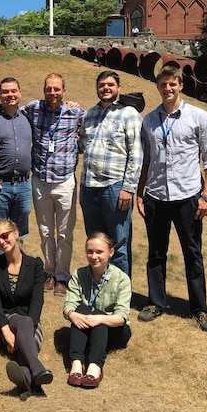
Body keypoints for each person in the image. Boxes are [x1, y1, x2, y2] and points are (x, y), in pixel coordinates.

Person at [136, 66, 207, 332]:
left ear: (180, 85)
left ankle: (199, 309)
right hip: (157, 196)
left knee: (192, 253)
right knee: (156, 253)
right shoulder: (149, 120)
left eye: (172, 84)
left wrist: (206, 195)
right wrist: (141, 192)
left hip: (188, 197)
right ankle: (155, 302)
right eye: (163, 85)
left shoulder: (198, 116)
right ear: (158, 87)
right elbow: (146, 161)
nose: (168, 89)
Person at [21, 73, 84, 295]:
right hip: (39, 180)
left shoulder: (75, 112)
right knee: (45, 231)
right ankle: (49, 272)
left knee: (65, 232)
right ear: (44, 90)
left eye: (57, 89)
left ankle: (63, 276)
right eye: (49, 89)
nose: (53, 93)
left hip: (65, 180)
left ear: (64, 91)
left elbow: (91, 126)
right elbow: (10, 114)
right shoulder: (32, 109)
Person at [78, 70, 142, 277]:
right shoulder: (90, 115)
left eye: (110, 85)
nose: (106, 88)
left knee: (119, 244)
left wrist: (128, 188)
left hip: (115, 188)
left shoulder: (129, 113)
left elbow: (136, 153)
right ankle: (100, 287)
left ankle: (121, 295)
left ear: (118, 88)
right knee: (96, 244)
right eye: (102, 85)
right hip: (88, 188)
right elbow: (82, 146)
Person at [0, 219, 53, 395]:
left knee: (26, 326)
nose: (1, 241)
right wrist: (6, 331)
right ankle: (37, 368)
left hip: (29, 322)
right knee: (25, 330)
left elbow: (37, 302)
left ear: (16, 233)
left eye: (5, 235)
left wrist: (30, 326)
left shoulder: (35, 265)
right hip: (1, 322)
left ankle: (26, 379)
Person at [63, 232, 132, 389]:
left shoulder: (122, 279)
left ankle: (95, 366)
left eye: (99, 252)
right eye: (90, 251)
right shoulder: (78, 274)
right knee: (80, 309)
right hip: (86, 325)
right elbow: (69, 306)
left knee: (99, 314)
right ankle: (76, 364)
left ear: (111, 253)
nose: (94, 256)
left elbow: (121, 317)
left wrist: (99, 319)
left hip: (115, 330)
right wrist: (71, 314)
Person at [0, 78, 33, 243]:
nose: (10, 95)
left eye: (13, 91)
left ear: (20, 93)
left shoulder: (27, 116)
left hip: (24, 185)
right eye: (5, 92)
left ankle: (17, 265)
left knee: (20, 231)